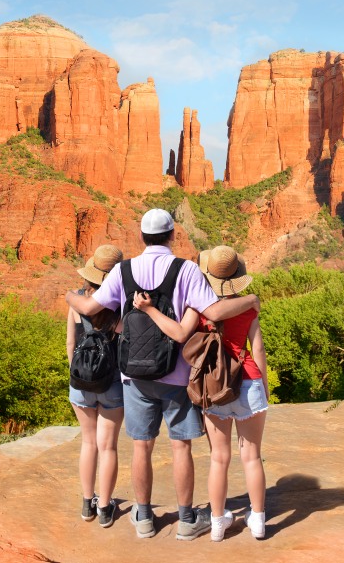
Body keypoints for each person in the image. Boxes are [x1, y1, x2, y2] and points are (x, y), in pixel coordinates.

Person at [66, 209, 259, 541]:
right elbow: (213, 312)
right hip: (177, 375)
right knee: (180, 447)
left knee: (141, 447)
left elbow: (87, 309)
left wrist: (70, 296)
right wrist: (252, 300)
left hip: (133, 376)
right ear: (172, 236)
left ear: (141, 237)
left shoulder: (123, 270)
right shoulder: (186, 270)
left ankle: (143, 518)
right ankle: (186, 520)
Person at [133, 245, 268, 542]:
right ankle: (257, 521)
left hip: (212, 386)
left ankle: (218, 524)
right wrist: (264, 388)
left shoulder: (197, 307)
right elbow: (256, 349)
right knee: (252, 456)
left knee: (219, 458)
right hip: (248, 381)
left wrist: (148, 309)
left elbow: (179, 334)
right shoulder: (248, 306)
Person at [67, 244, 125, 528]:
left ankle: (86, 503)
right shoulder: (119, 302)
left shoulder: (77, 299)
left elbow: (70, 343)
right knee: (108, 446)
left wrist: (78, 374)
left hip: (80, 381)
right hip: (112, 382)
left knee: (88, 443)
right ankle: (104, 508)